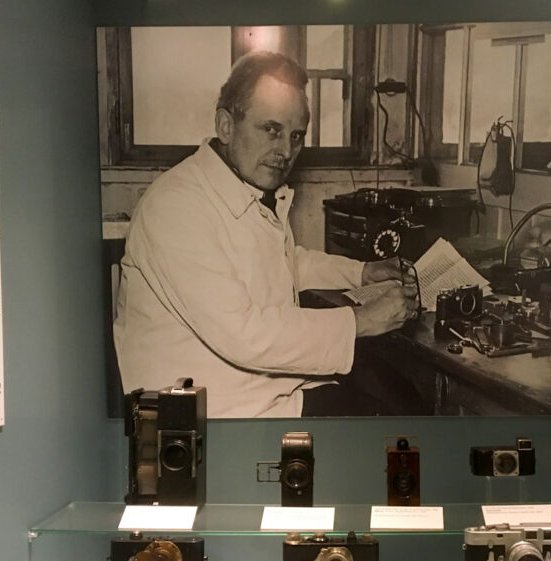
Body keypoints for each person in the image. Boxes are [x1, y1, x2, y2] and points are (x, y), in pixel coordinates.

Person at [114, 51, 418, 417]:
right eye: (271, 130)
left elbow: (285, 261)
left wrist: (361, 272)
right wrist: (363, 320)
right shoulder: (177, 206)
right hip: (215, 413)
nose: (285, 151)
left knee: (400, 393)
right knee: (392, 422)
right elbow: (245, 334)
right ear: (226, 126)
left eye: (296, 135)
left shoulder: (241, 186)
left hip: (260, 387)